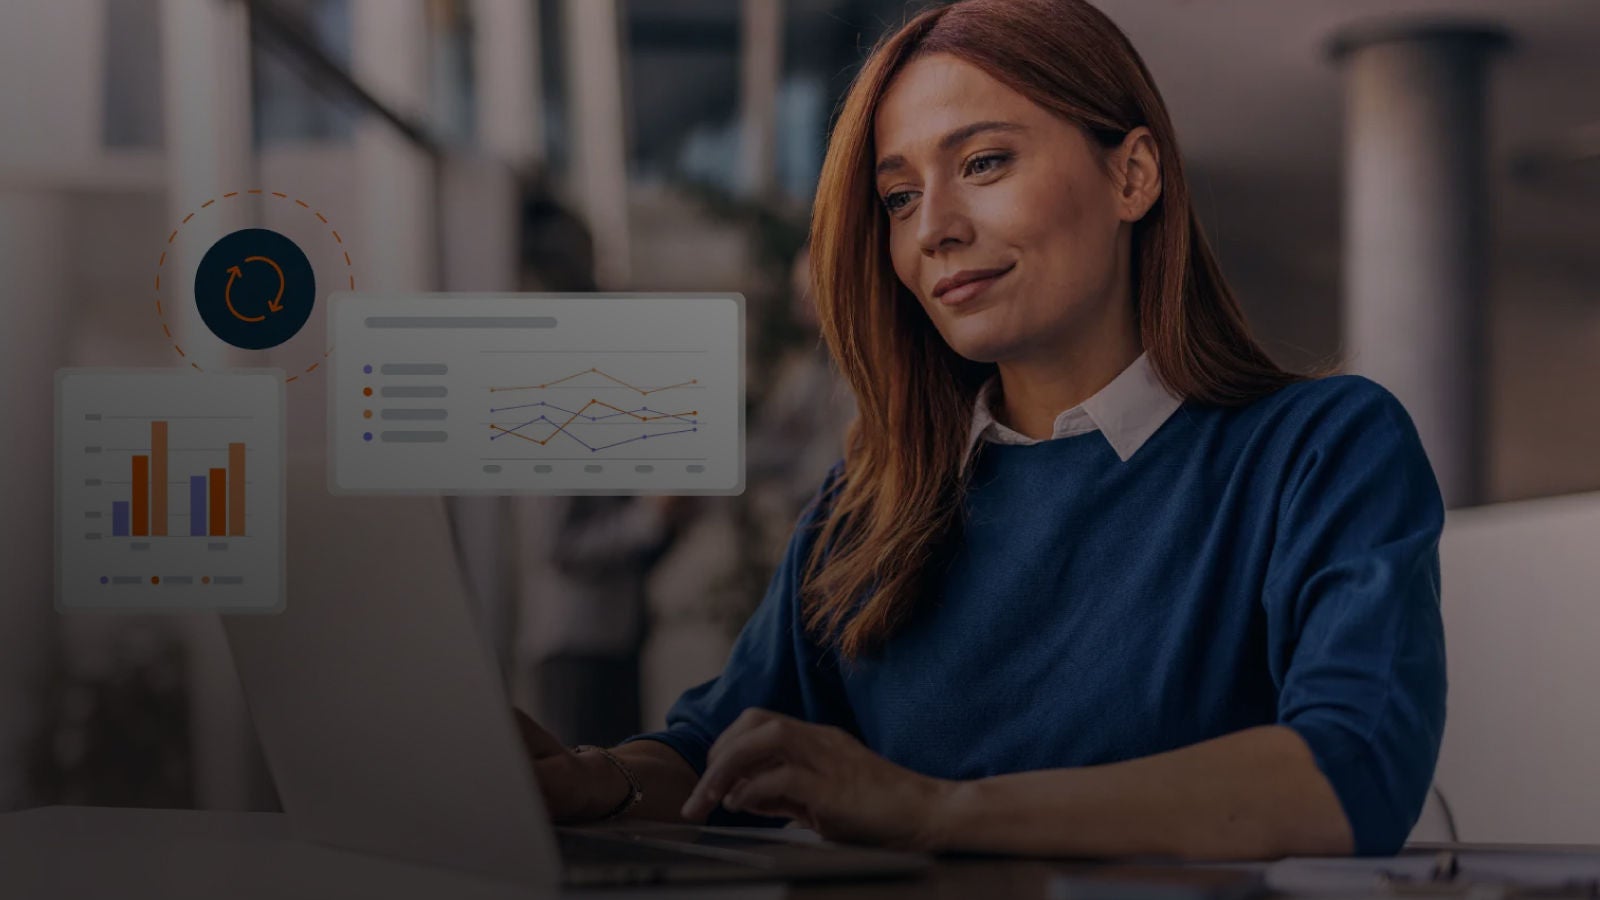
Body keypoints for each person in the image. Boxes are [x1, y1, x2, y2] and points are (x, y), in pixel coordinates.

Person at [514, 0, 1446, 861]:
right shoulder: (866, 510)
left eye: (983, 162)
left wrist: (936, 812)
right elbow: (713, 755)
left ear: (1132, 174)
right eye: (900, 197)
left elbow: (1351, 768)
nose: (935, 230)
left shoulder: (1320, 451)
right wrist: (589, 780)